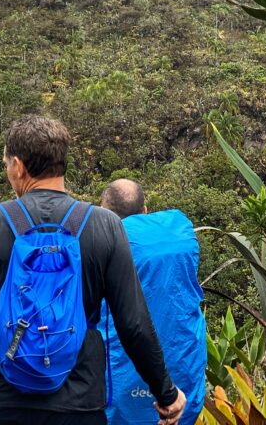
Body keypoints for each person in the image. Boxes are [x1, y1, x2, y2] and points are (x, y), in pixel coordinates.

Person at [0, 115, 187, 425]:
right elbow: (132, 323)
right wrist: (166, 394)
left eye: (6, 164)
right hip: (77, 405)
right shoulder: (104, 225)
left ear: (19, 167)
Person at [99, 180, 206, 425]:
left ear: (104, 214)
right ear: (145, 210)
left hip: (121, 383)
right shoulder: (180, 238)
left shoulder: (103, 243)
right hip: (184, 374)